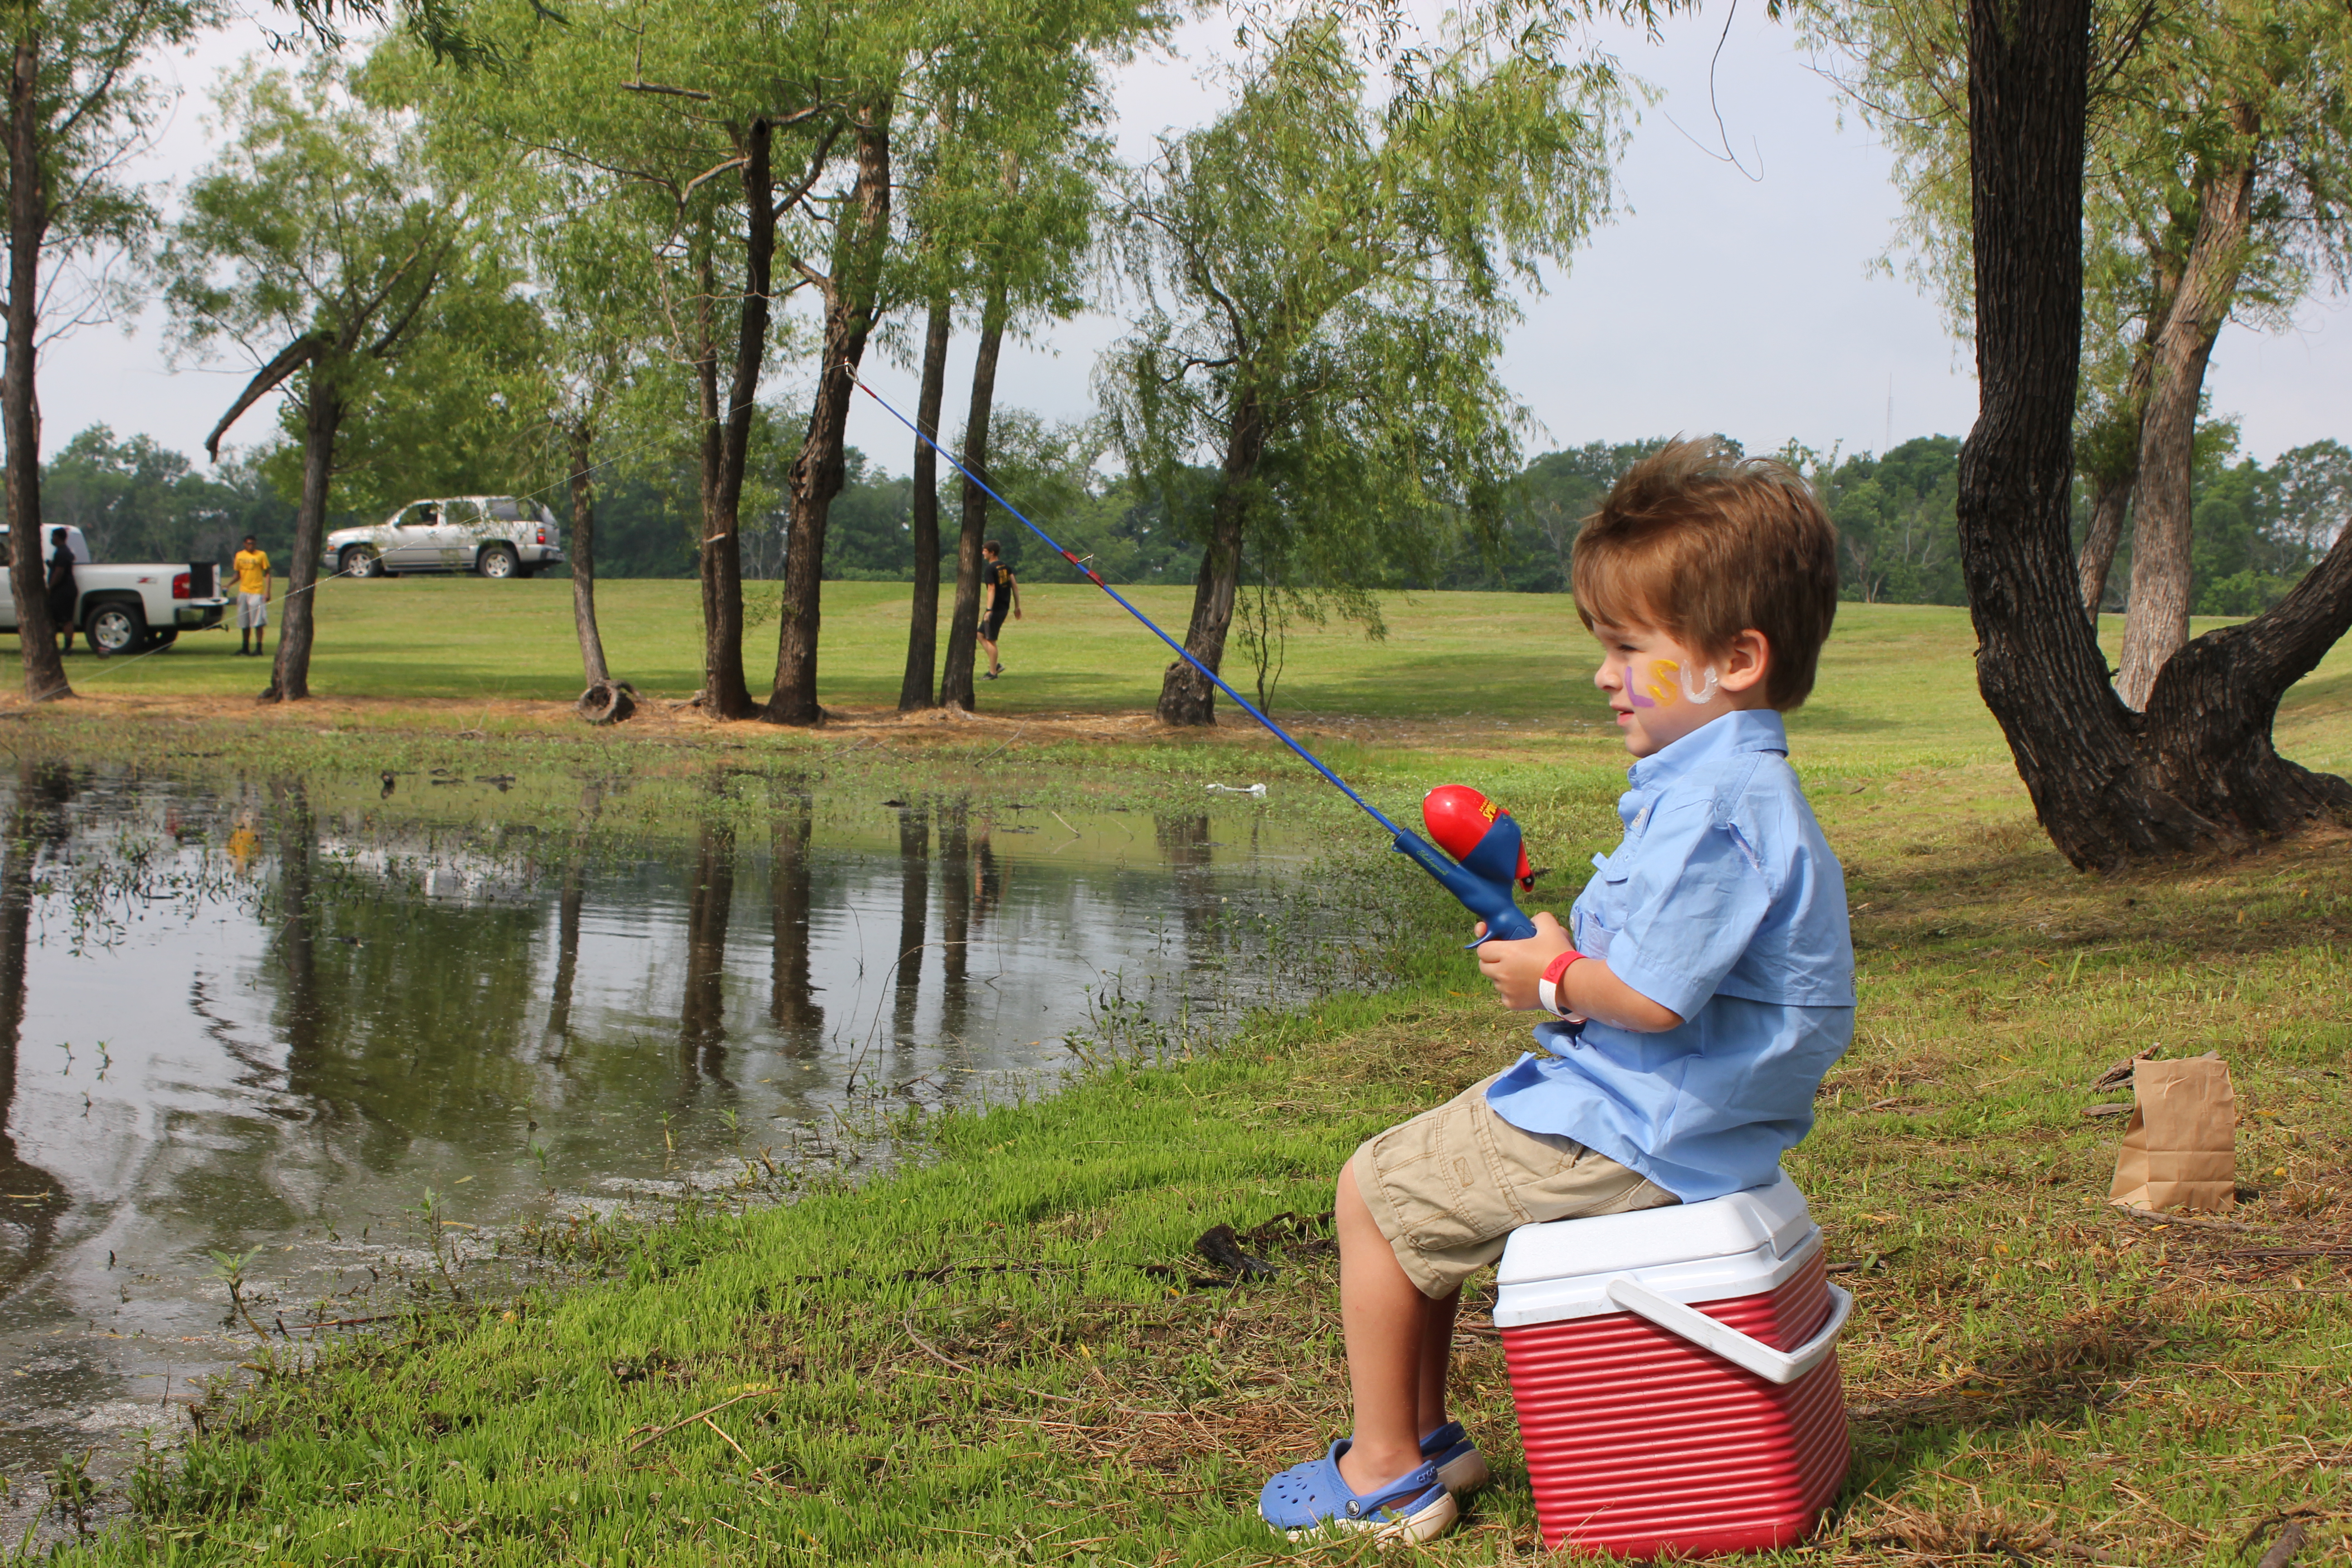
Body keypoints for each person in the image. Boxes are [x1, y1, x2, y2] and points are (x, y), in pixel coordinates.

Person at [1254, 439, 1856, 1542]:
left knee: (1372, 1190)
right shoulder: (1726, 789)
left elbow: (1659, 999)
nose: (1603, 673)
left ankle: (1388, 1468)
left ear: (1734, 658)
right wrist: (1556, 942)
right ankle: (1432, 1433)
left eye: (1629, 648)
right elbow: (1663, 955)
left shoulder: (1715, 803)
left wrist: (1554, 975)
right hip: (1674, 1113)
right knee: (1408, 1182)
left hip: (1639, 1123)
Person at [977, 539, 1020, 680]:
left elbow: (992, 588)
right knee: (980, 634)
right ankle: (995, 665)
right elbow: (1014, 586)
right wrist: (1017, 606)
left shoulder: (990, 569)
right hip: (1004, 607)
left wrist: (989, 610)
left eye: (985, 551)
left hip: (995, 609)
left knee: (991, 640)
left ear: (992, 553)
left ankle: (993, 673)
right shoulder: (1006, 567)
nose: (983, 553)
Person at [232, 535, 270, 657]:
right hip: (244, 591)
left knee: (258, 621)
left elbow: (268, 573)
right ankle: (245, 648)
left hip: (257, 591)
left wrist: (267, 591)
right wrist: (228, 585)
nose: (252, 546)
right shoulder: (239, 556)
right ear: (244, 544)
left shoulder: (261, 555)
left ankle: (259, 649)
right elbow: (238, 574)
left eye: (254, 544)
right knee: (245, 622)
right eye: (249, 543)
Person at [43, 529, 77, 657]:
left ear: (57, 538)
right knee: (54, 618)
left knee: (66, 620)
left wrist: (50, 587)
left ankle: (68, 649)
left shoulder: (62, 552)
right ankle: (54, 647)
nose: (52, 539)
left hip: (64, 591)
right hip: (63, 591)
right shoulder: (63, 552)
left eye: (53, 537)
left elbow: (59, 572)